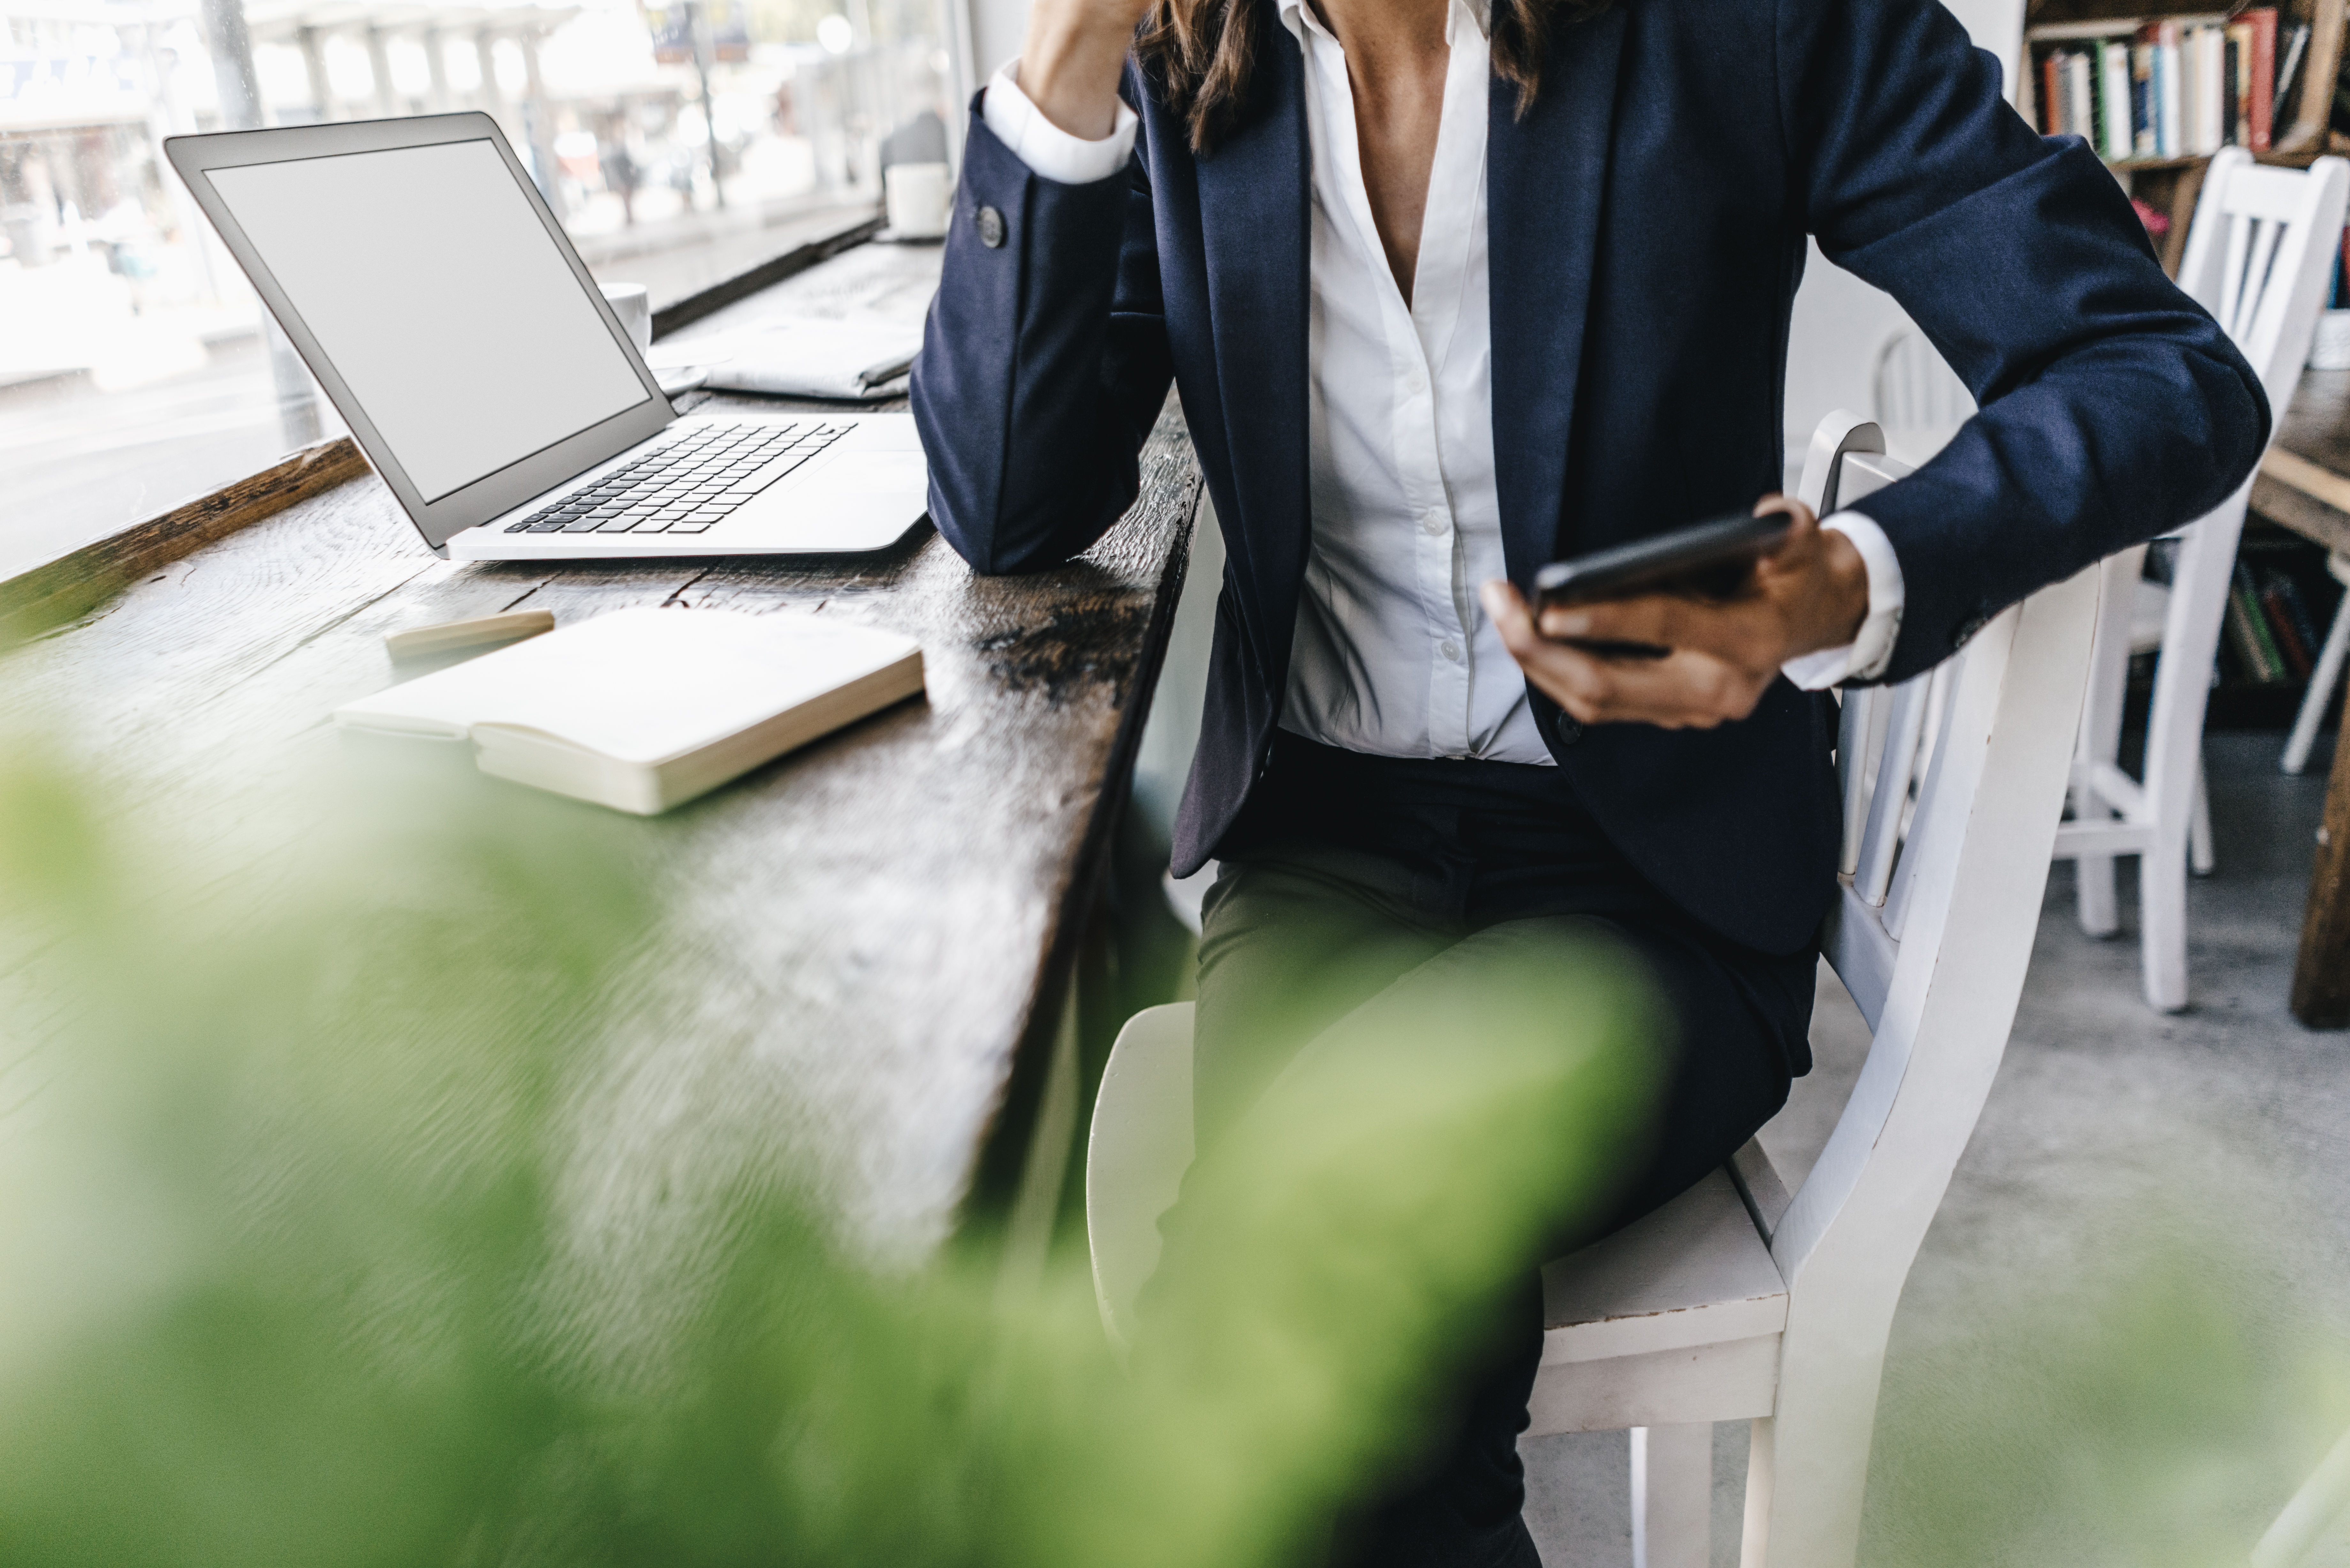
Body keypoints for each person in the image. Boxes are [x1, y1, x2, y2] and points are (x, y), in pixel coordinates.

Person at [909, 0, 2268, 1553]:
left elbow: (2158, 369)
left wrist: (1842, 585)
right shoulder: (1181, 63)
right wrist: (1069, 43)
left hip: (1653, 872)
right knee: (1296, 1322)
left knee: (1297, 1288)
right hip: (1325, 848)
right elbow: (1009, 502)